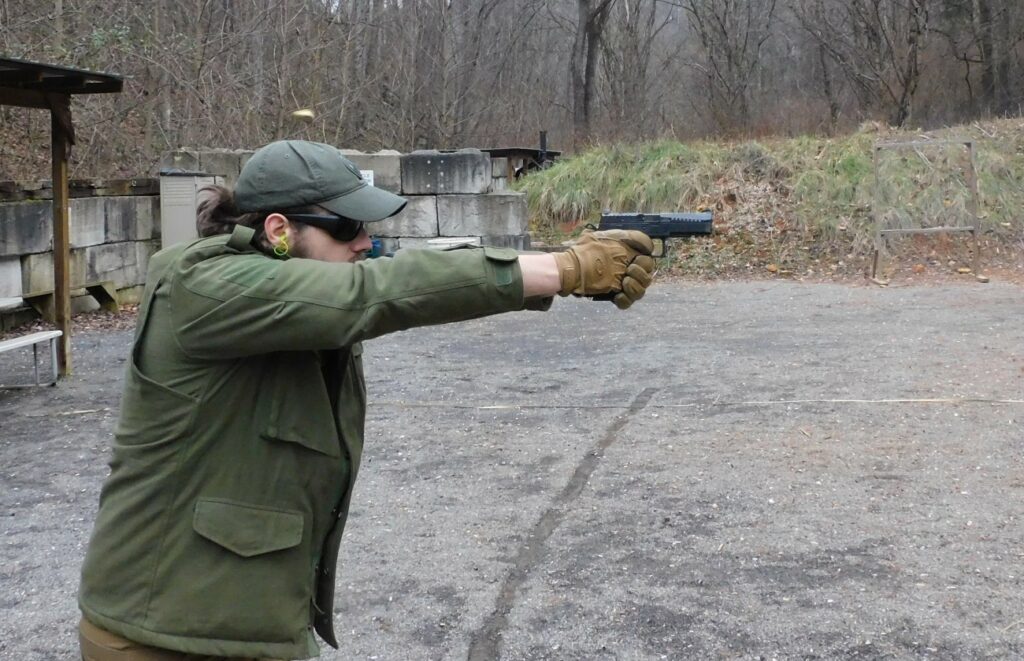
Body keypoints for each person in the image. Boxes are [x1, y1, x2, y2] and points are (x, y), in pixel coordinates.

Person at [77, 140, 655, 660]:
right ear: (279, 231)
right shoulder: (204, 286)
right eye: (347, 226)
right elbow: (376, 292)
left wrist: (550, 263)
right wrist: (565, 269)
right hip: (160, 635)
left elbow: (402, 282)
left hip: (240, 622)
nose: (365, 241)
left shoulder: (283, 295)